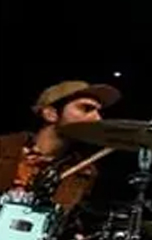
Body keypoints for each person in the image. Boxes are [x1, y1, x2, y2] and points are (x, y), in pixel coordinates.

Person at [0, 80, 120, 213]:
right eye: (86, 109)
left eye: (99, 112)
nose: (97, 119)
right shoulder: (4, 147)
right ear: (51, 114)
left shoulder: (84, 171)